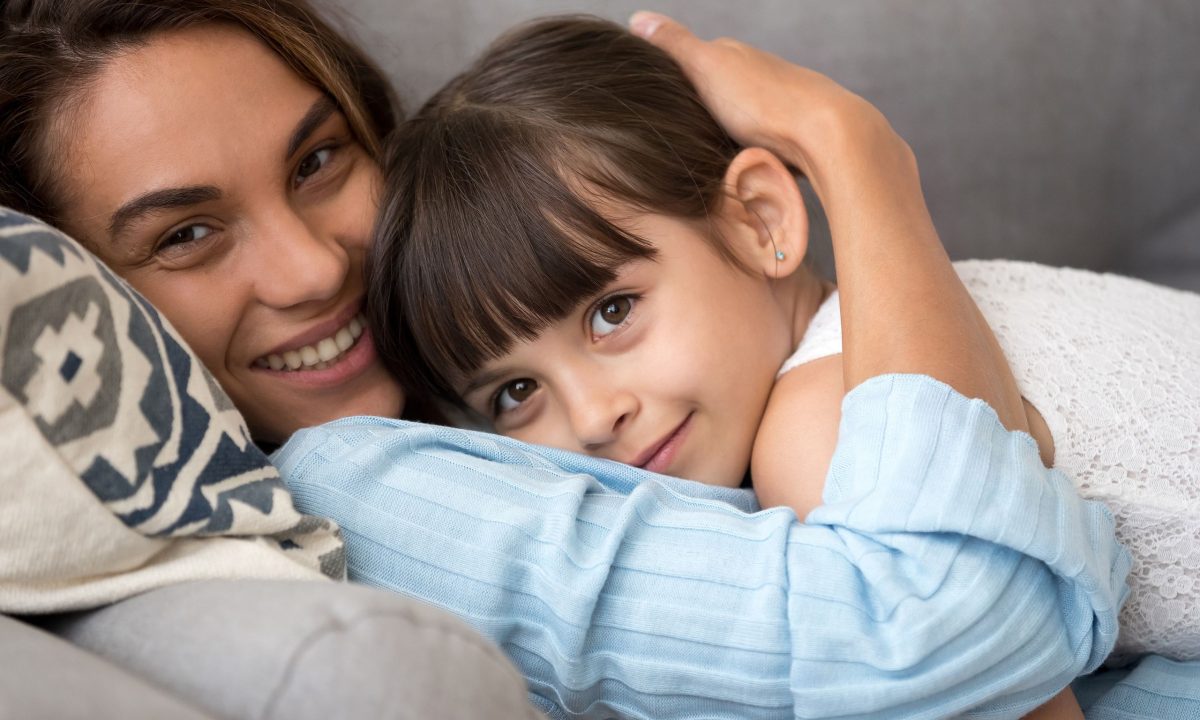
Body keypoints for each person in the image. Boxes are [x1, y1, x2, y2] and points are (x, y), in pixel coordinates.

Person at [0, 1, 1133, 717]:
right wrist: (855, 149)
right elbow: (949, 632)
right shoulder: (358, 481)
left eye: (320, 159)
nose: (309, 269)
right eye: (186, 235)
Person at [369, 15, 1200, 666]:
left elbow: (1004, 689)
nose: (591, 419)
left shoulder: (812, 427)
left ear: (760, 219)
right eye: (516, 393)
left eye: (612, 311)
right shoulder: (914, 294)